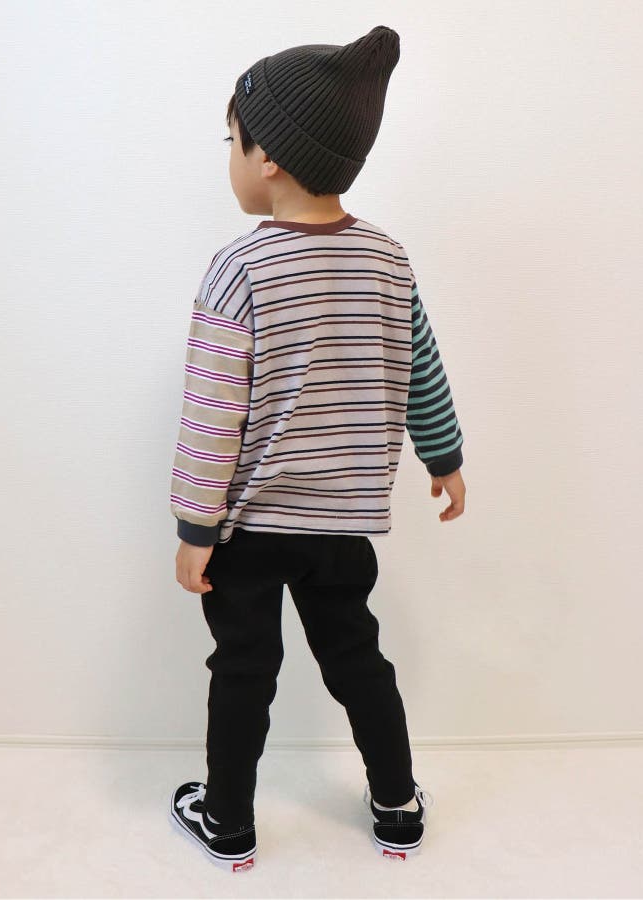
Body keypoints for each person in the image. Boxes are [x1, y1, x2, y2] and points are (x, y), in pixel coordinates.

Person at [168, 25, 465, 872]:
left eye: (232, 138)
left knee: (244, 670)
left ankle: (228, 821)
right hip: (341, 529)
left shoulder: (239, 270)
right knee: (358, 661)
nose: (229, 154)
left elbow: (211, 414)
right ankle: (397, 804)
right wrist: (445, 457)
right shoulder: (389, 262)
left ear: (268, 158)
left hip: (250, 529)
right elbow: (422, 369)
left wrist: (195, 529)